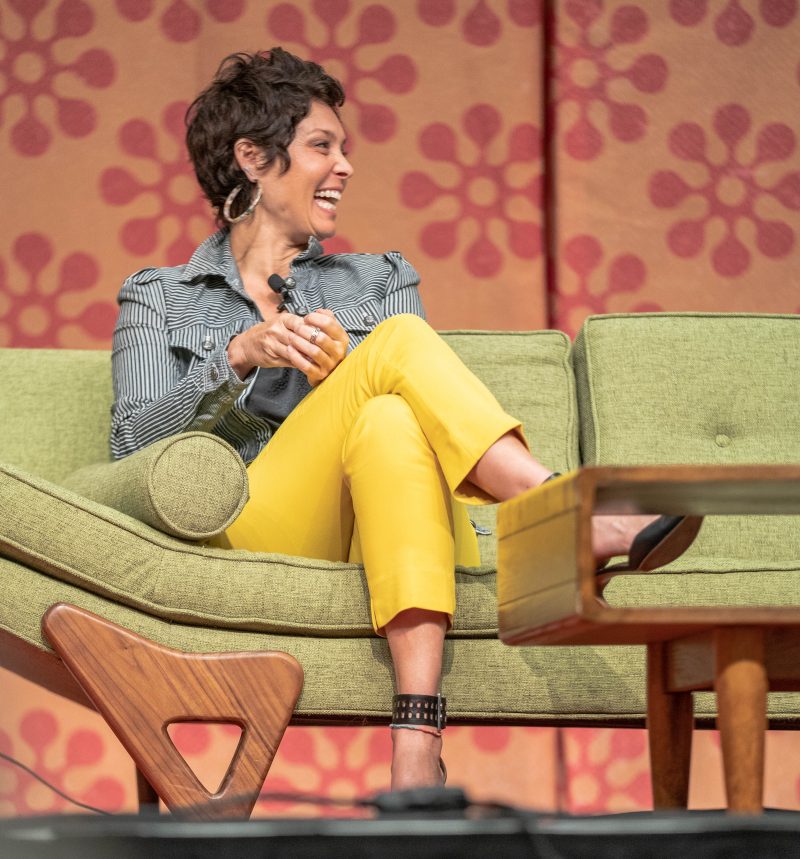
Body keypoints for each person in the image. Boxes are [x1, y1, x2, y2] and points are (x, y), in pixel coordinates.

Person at [111, 48, 702, 791]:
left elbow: (413, 433)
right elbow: (130, 444)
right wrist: (236, 358)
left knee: (390, 416)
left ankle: (416, 745)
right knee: (394, 348)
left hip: (381, 519)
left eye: (344, 148)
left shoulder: (382, 277)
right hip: (256, 521)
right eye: (322, 146)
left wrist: (335, 374)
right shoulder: (160, 296)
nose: (346, 166)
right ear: (253, 158)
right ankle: (562, 512)